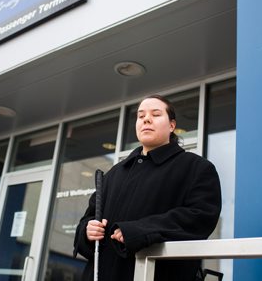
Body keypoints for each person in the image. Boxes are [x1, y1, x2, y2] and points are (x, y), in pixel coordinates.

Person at [73, 94, 222, 281]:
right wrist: (87, 230)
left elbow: (200, 217)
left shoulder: (196, 168)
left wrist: (140, 231)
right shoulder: (114, 173)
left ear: (172, 126)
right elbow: (88, 218)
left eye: (156, 114)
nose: (146, 119)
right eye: (141, 115)